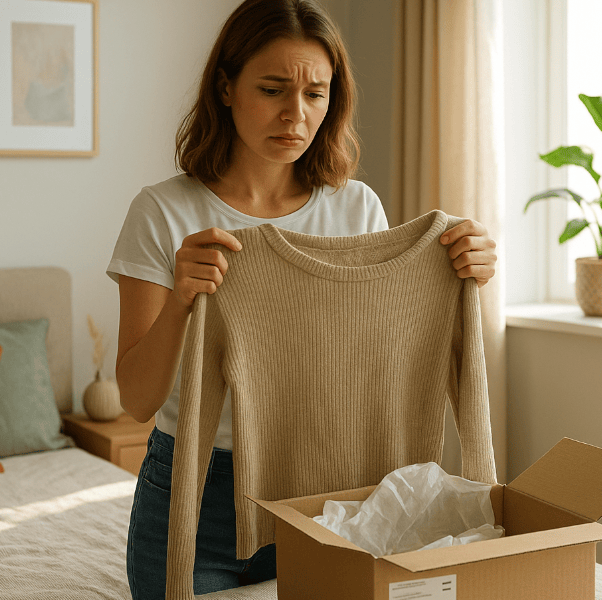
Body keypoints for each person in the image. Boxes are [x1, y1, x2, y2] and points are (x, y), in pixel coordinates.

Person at [107, 1, 497, 597]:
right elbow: (137, 401)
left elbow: (371, 361)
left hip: (328, 499)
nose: (296, 114)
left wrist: (462, 268)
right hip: (195, 490)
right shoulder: (163, 211)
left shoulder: (357, 208)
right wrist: (182, 299)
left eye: (316, 94)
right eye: (272, 90)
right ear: (226, 87)